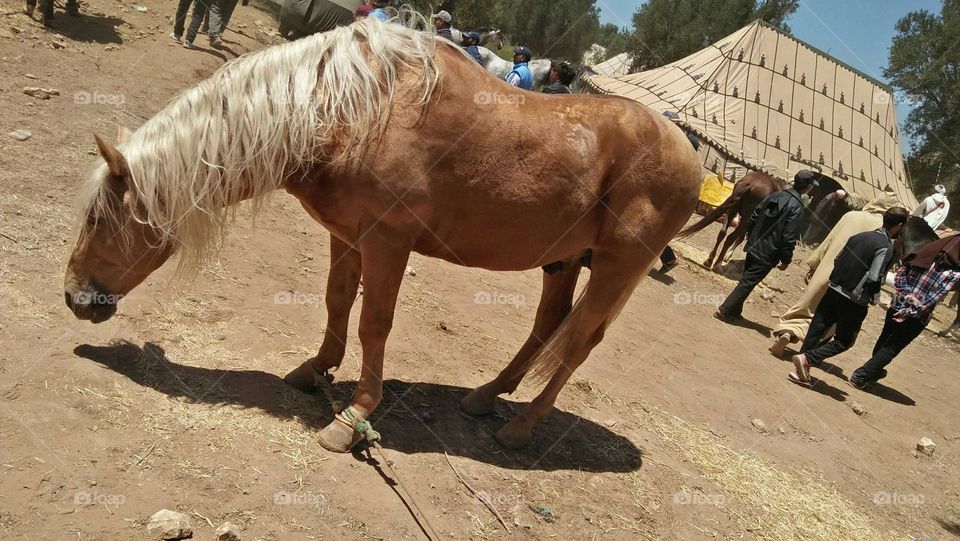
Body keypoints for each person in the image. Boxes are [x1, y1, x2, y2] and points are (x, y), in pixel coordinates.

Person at [788, 207, 908, 387]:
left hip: (833, 288)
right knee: (844, 341)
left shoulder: (859, 236)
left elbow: (837, 260)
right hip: (853, 299)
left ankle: (803, 364)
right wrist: (875, 296)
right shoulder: (885, 247)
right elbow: (875, 276)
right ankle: (807, 359)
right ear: (899, 226)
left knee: (817, 327)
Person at [770, 192, 900, 356]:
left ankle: (788, 332)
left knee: (807, 305)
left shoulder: (851, 216)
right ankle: (808, 354)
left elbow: (829, 240)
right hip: (850, 280)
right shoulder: (885, 232)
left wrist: (814, 264)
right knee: (830, 321)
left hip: (827, 269)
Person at [847, 234, 960, 388]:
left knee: (884, 339)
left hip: (897, 305)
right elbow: (934, 298)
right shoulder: (953, 274)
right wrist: (910, 310)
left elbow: (899, 275)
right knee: (892, 348)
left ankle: (873, 371)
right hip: (917, 315)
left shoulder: (923, 254)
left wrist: (906, 295)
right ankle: (861, 376)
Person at [714, 170, 817, 321]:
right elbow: (789, 236)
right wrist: (786, 259)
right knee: (749, 281)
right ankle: (725, 309)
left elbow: (754, 215)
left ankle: (735, 311)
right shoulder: (797, 207)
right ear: (808, 187)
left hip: (754, 246)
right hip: (769, 253)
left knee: (747, 278)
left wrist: (751, 237)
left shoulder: (775, 195)